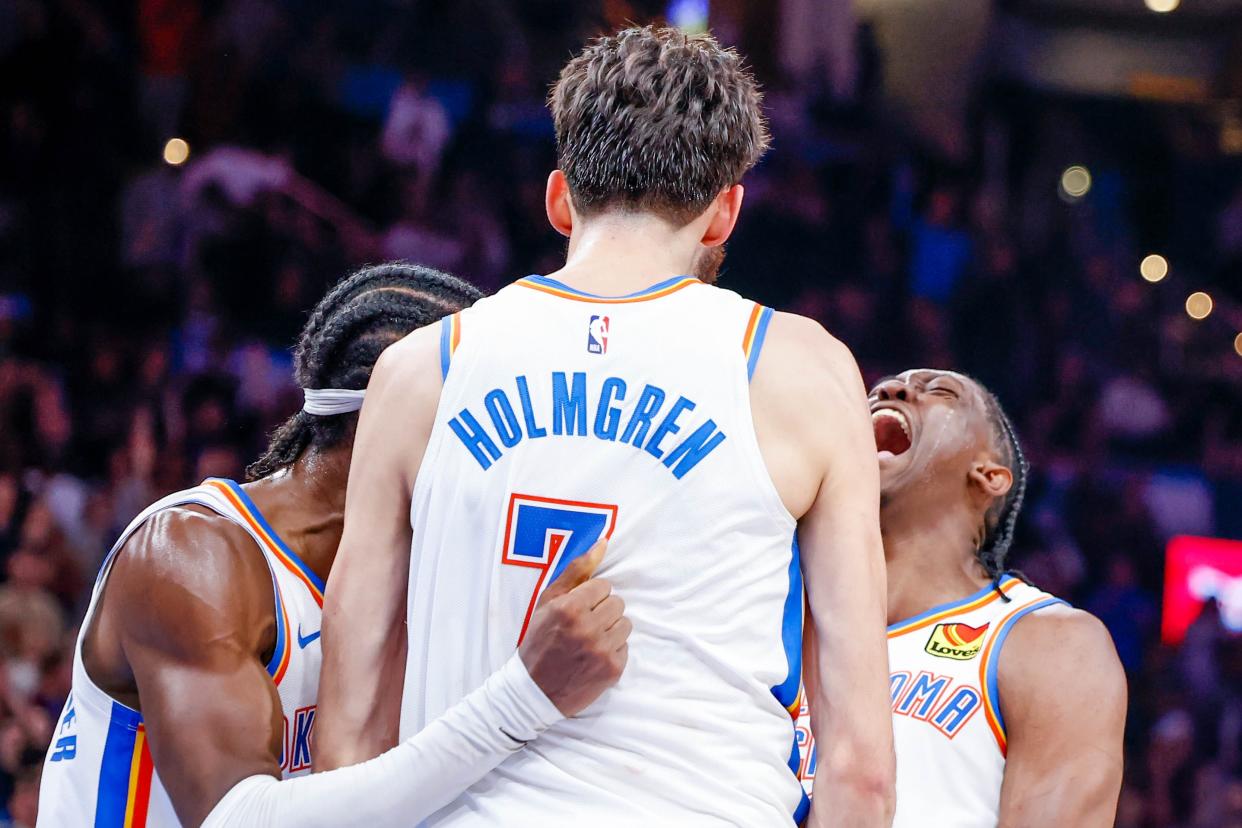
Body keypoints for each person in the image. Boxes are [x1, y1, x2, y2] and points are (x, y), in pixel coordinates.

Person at [317, 26, 895, 827]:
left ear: (559, 198)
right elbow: (859, 764)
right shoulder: (801, 370)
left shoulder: (420, 370)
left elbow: (347, 730)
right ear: (726, 213)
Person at [37, 263, 632, 827]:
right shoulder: (193, 558)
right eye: (489, 423)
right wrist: (523, 698)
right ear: (396, 415)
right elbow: (236, 821)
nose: (508, 455)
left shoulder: (426, 574)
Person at [795, 369, 1127, 826]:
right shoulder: (772, 617)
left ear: (989, 476)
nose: (890, 390)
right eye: (877, 391)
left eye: (940, 391)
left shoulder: (1049, 643)